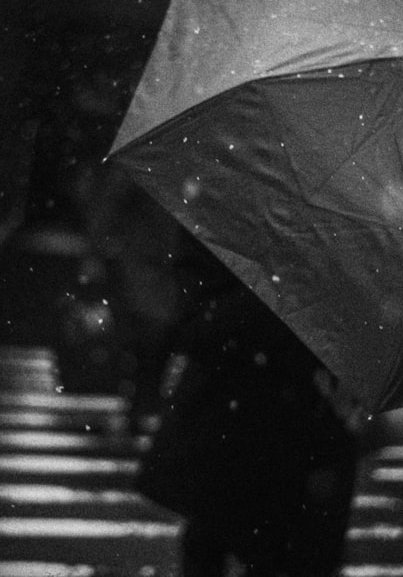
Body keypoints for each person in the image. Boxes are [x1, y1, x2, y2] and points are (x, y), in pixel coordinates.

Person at [135, 231, 359, 577]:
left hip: (290, 433)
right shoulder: (215, 231)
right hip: (225, 428)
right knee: (212, 542)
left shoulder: (328, 243)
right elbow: (195, 324)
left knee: (279, 551)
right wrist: (277, 291)